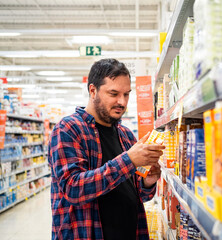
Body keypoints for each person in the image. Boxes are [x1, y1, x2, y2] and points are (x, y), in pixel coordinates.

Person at [48, 58, 165, 240]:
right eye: (114, 93)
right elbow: (73, 188)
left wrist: (147, 181)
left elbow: (140, 195)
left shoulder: (126, 136)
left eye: (126, 94)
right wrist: (130, 160)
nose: (122, 102)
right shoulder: (68, 129)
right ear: (93, 90)